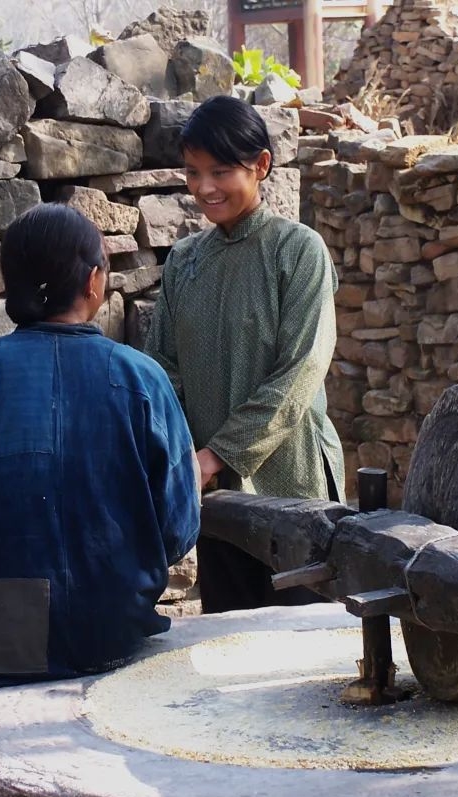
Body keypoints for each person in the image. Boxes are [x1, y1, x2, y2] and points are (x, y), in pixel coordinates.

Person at [0, 204, 201, 797]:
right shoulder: (141, 376)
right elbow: (178, 528)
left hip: (7, 617)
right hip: (115, 619)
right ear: (95, 282)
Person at [145, 94, 345, 614]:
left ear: (261, 166)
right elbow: (162, 369)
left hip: (295, 486)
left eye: (221, 171)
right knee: (229, 639)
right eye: (193, 172)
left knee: (303, 647)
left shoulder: (298, 251)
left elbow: (301, 370)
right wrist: (179, 456)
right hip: (216, 492)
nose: (204, 188)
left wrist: (216, 455)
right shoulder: (185, 261)